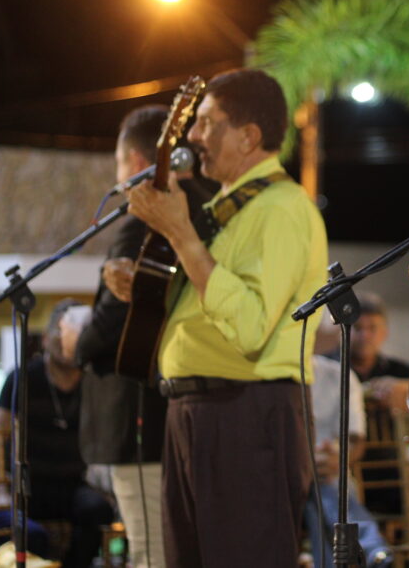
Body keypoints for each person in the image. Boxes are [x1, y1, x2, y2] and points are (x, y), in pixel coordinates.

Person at [125, 68, 329, 568]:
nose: (193, 136)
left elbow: (252, 328)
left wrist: (183, 237)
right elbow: (211, 295)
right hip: (196, 411)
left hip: (245, 413)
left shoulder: (281, 208)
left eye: (208, 123)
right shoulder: (229, 206)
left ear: (249, 136)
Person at [57, 104, 212, 568]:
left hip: (138, 419)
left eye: (120, 162)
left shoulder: (144, 224)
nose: (119, 175)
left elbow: (109, 327)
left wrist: (75, 341)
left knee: (151, 551)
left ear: (142, 159)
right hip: (175, 413)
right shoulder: (207, 209)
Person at [0, 299, 116, 568]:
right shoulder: (22, 378)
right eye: (59, 332)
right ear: (46, 339)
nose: (65, 341)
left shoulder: (93, 382)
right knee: (25, 529)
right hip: (28, 486)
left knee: (99, 509)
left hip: (73, 484)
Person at [304, 343, 393, 567]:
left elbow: (355, 441)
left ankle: (366, 547)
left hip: (328, 471)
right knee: (319, 486)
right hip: (283, 475)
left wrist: (336, 459)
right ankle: (371, 547)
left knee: (323, 487)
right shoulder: (266, 382)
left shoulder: (337, 374)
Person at [344, 292, 409, 411]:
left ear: (384, 332)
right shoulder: (325, 371)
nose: (365, 335)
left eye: (372, 328)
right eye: (357, 327)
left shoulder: (403, 372)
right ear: (342, 332)